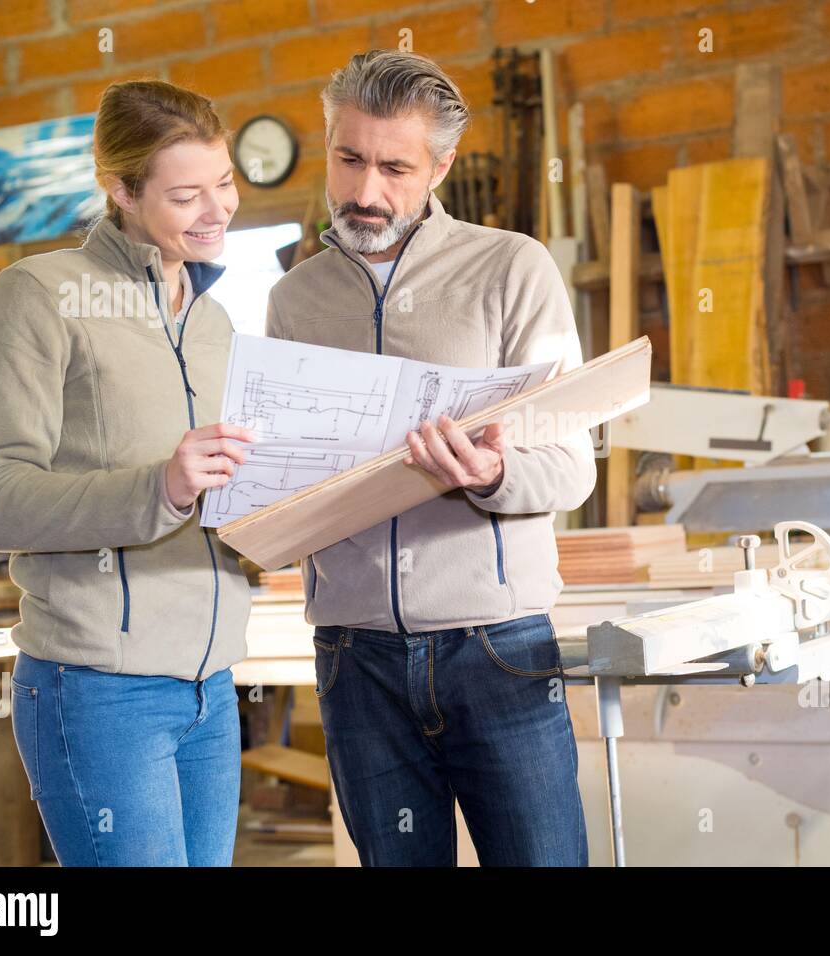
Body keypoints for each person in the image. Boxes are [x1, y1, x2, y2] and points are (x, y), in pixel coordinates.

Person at [266, 50, 596, 867]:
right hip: (354, 659)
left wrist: (490, 474)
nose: (365, 192)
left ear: (441, 165)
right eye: (348, 159)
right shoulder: (292, 301)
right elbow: (277, 477)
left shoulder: (511, 269)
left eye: (394, 167)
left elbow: (574, 468)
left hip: (499, 651)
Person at [0, 80, 256, 866]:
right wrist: (159, 487)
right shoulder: (39, 296)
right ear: (121, 191)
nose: (217, 209)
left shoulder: (216, 319)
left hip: (213, 686)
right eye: (186, 194)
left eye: (223, 182)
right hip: (99, 690)